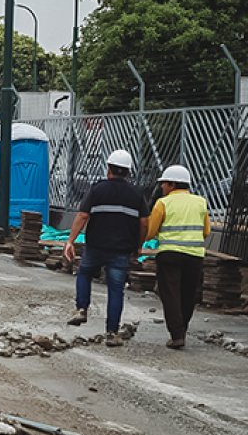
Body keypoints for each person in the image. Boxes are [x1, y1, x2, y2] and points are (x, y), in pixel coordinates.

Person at [64, 149, 147, 347]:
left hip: (96, 245)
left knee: (84, 273)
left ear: (109, 168)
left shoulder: (97, 189)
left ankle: (81, 308)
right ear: (128, 172)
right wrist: (139, 245)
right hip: (121, 249)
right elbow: (144, 222)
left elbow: (83, 215)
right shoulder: (137, 194)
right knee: (116, 290)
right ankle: (111, 333)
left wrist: (70, 241)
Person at [144, 165, 209, 350]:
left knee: (170, 294)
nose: (162, 187)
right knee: (188, 294)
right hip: (195, 256)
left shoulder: (163, 203)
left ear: (172, 184)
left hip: (170, 255)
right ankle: (182, 330)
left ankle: (177, 334)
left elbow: (150, 232)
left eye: (164, 183)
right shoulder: (201, 202)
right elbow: (206, 231)